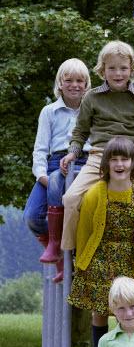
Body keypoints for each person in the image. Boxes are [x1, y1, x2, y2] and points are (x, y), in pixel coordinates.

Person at [60, 40, 134, 256]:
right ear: (102, 70)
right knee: (70, 199)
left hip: (131, 157)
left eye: (123, 68)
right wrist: (73, 152)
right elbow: (80, 131)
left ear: (132, 69)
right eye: (112, 68)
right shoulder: (92, 97)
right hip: (100, 155)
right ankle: (71, 251)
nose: (118, 73)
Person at [68, 137, 134, 347]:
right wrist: (82, 261)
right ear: (106, 163)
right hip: (99, 257)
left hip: (127, 258)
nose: (119, 164)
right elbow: (85, 228)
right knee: (100, 311)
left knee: (132, 308)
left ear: (133, 163)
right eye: (114, 159)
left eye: (124, 159)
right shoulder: (96, 192)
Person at [23, 58, 91, 283]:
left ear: (87, 84)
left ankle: (74, 257)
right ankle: (58, 253)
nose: (74, 85)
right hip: (54, 165)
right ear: (60, 83)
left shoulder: (92, 110)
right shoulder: (49, 112)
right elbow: (40, 150)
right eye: (68, 80)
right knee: (32, 216)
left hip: (83, 163)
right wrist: (42, 176)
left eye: (80, 80)